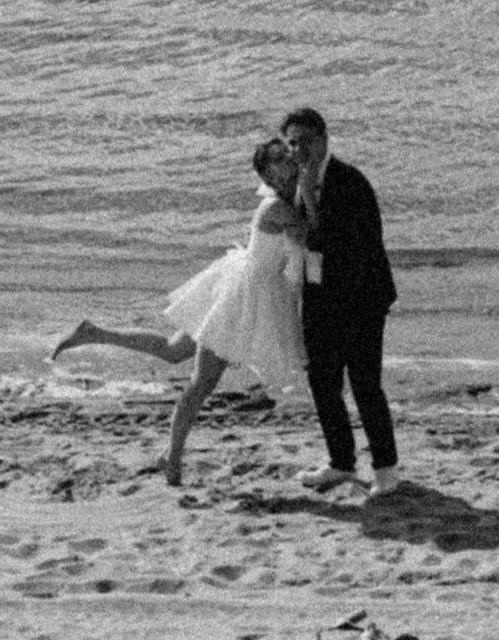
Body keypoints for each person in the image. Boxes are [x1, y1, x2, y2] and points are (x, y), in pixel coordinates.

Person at [51, 136, 312, 486]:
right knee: (200, 383)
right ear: (267, 175)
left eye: (289, 157)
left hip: (246, 288)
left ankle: (94, 333)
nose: (289, 162)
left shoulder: (283, 198)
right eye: (280, 160)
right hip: (242, 296)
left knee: (174, 352)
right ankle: (171, 458)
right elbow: (311, 236)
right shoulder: (276, 208)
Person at [281, 104, 402, 496]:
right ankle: (341, 462)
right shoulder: (299, 183)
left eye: (305, 142)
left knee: (365, 383)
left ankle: (386, 471)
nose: (298, 150)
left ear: (324, 140)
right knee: (322, 382)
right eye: (292, 143)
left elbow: (338, 240)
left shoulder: (348, 181)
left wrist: (309, 206)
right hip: (321, 295)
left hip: (362, 297)